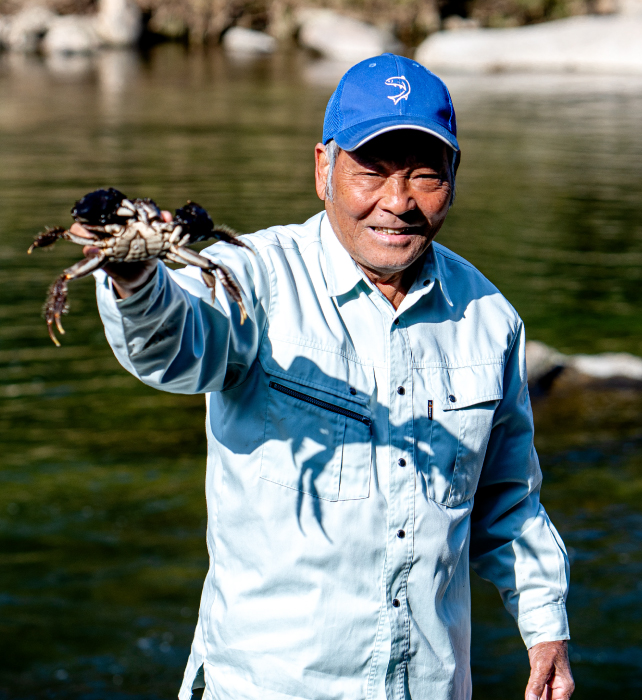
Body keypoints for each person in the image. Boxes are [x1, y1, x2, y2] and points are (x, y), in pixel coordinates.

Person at [76, 54, 574, 700]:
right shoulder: (251, 276)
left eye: (425, 175)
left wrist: (545, 625)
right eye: (371, 171)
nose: (398, 202)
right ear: (323, 168)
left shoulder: (490, 319)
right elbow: (174, 349)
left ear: (455, 177)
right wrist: (135, 279)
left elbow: (507, 499)